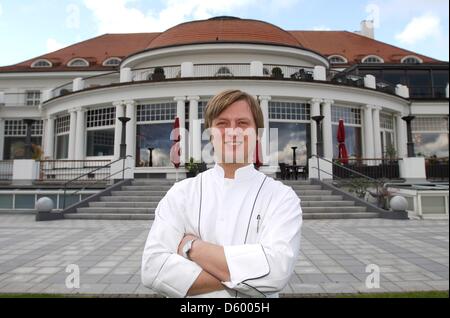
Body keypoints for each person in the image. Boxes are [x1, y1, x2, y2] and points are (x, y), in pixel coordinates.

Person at [141, 89, 303, 298]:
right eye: (222, 124)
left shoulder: (282, 198)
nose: (232, 132)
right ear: (210, 134)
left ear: (258, 133)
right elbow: (153, 269)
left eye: (243, 124)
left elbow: (277, 271)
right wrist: (246, 273)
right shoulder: (180, 194)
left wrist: (191, 247)